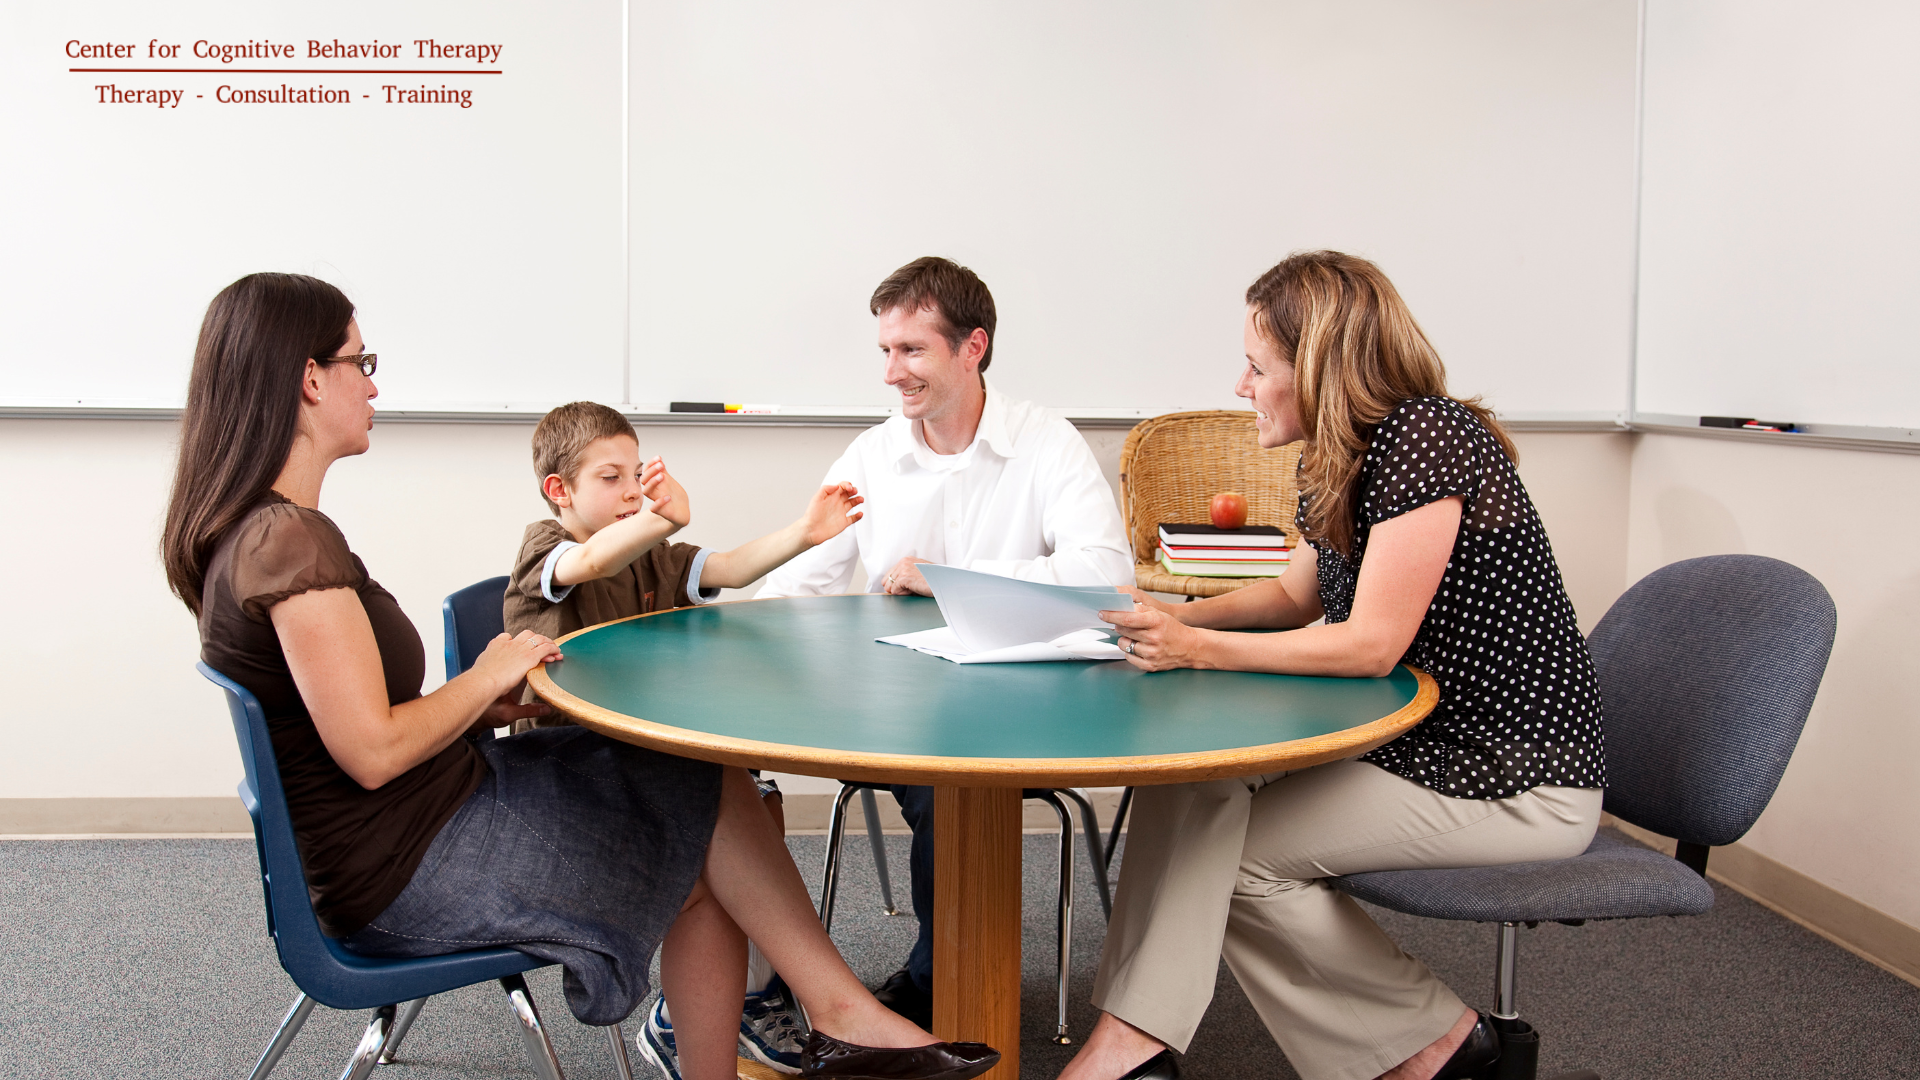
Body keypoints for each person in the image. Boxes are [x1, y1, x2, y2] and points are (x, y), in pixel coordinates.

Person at [162, 272, 999, 1080]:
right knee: (694, 839)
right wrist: (488, 671)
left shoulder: (276, 534)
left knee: (697, 776)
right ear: (311, 379)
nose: (373, 387)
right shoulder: (288, 545)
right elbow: (373, 751)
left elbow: (357, 725)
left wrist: (487, 698)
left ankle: (835, 1010)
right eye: (361, 363)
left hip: (425, 808)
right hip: (406, 863)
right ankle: (838, 1012)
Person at [1065, 251, 1607, 1080]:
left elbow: (1370, 642)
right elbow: (1292, 596)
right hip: (1420, 746)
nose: (1241, 386)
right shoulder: (1338, 454)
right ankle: (1129, 1046)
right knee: (1198, 780)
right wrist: (1170, 618)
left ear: (1318, 367)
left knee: (1238, 863)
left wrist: (1198, 648)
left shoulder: (1429, 435)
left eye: (1257, 366)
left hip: (1514, 773)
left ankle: (1440, 1045)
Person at [758, 256, 1131, 1025]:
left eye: (912, 351)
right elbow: (805, 582)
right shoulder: (870, 455)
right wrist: (734, 637)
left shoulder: (1046, 443)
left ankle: (935, 990)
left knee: (948, 782)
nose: (893, 373)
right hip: (902, 712)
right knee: (935, 779)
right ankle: (934, 981)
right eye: (886, 352)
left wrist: (953, 575)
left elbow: (1107, 576)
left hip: (1037, 708)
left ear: (974, 348)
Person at [503, 398, 864, 1075]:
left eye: (637, 474)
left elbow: (726, 567)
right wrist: (653, 517)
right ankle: (722, 1007)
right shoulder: (543, 551)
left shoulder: (650, 553)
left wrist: (806, 532)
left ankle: (739, 999)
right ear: (559, 490)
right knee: (714, 818)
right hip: (563, 778)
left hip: (637, 759)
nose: (633, 491)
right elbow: (589, 565)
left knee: (758, 799)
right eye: (611, 477)